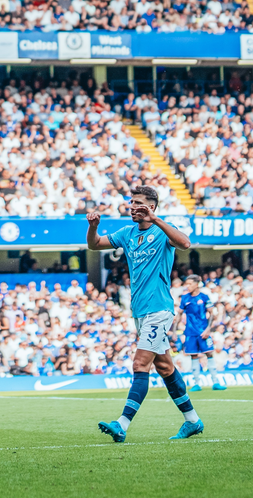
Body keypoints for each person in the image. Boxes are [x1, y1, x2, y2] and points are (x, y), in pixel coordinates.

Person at [87, 185, 204, 442]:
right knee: (164, 367)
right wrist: (93, 225)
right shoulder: (127, 233)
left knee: (140, 364)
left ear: (150, 206)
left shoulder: (162, 232)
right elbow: (94, 245)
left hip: (159, 309)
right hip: (139, 311)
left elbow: (185, 243)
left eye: (137, 202)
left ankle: (122, 424)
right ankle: (193, 421)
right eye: (131, 202)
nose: (132, 207)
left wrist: (156, 220)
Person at [175, 275, 225, 392]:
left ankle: (215, 382)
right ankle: (196, 383)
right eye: (186, 284)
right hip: (190, 333)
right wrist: (174, 330)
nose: (188, 286)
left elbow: (212, 313)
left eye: (190, 284)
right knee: (193, 356)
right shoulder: (185, 298)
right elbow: (179, 314)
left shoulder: (204, 297)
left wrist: (208, 329)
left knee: (209, 353)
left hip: (203, 331)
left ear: (197, 284)